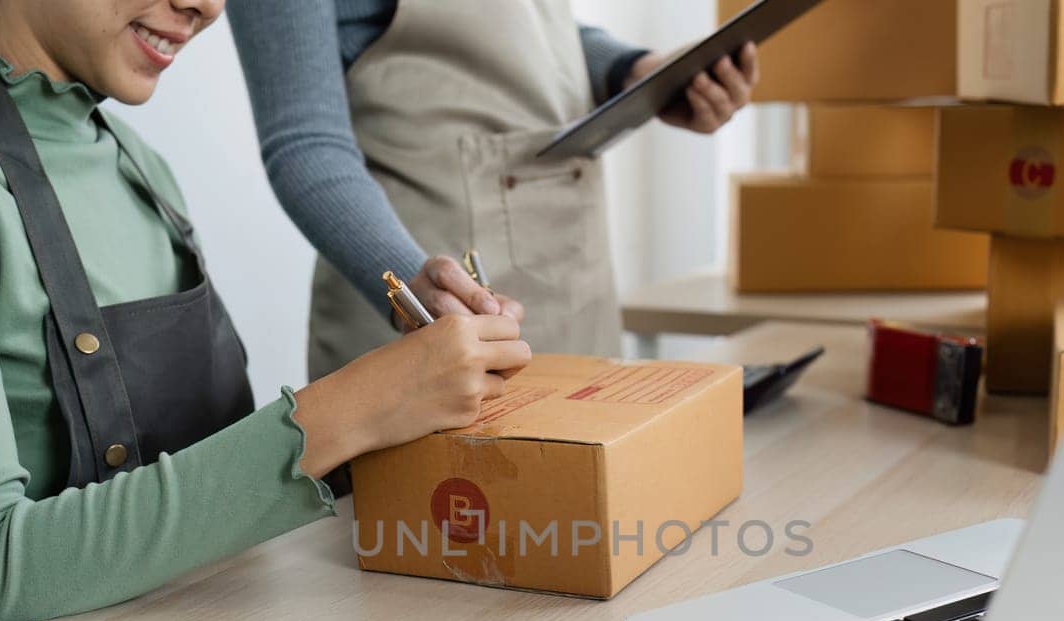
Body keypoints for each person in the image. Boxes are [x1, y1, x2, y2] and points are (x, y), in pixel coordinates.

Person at [0, 0, 529, 621]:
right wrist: (349, 410)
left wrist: (407, 399)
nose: (208, 7)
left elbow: (208, 492)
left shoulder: (138, 163)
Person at [229, 1, 759, 380]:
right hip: (433, 298)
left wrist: (634, 71)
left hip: (573, 279)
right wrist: (413, 295)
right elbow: (304, 141)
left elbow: (532, 25)